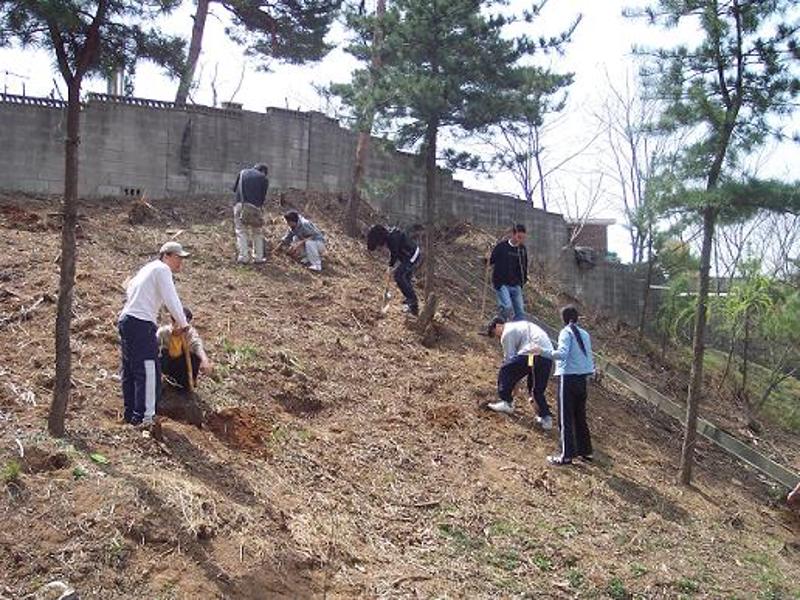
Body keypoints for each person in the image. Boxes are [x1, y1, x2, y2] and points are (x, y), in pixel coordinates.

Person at [118, 241, 190, 427]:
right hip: (141, 323)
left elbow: (130, 288)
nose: (179, 262)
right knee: (148, 370)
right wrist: (182, 323)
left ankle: (131, 414)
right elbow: (171, 298)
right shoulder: (161, 270)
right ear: (166, 256)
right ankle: (145, 418)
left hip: (127, 320)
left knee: (131, 370)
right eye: (177, 257)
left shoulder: (146, 270)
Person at [532, 305, 595, 466]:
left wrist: (542, 351)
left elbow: (561, 354)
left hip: (568, 378)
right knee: (580, 416)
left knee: (565, 417)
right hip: (582, 379)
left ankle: (566, 455)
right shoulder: (585, 334)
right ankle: (585, 450)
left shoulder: (566, 332)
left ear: (564, 319)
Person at [485, 316, 554, 429]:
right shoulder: (519, 326)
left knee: (505, 369)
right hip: (545, 356)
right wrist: (515, 382)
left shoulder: (507, 332)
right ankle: (546, 418)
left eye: (495, 333)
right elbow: (519, 369)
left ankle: (506, 402)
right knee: (536, 389)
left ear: (498, 326)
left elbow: (510, 362)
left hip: (532, 353)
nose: (498, 337)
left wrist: (511, 390)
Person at [366, 224, 421, 316]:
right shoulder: (389, 236)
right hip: (406, 256)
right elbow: (394, 252)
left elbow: (394, 253)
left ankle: (412, 301)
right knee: (405, 278)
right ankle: (412, 306)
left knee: (399, 275)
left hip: (413, 254)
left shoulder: (392, 237)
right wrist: (390, 266)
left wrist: (390, 266)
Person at [157, 307, 211, 390]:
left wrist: (204, 360)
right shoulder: (163, 332)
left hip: (180, 364)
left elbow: (196, 345)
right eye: (176, 322)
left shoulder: (189, 333)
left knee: (195, 357)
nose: (178, 327)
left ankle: (185, 383)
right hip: (167, 363)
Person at [489, 224, 529, 321]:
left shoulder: (522, 250)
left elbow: (524, 265)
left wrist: (522, 281)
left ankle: (518, 332)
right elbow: (491, 260)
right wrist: (487, 259)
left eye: (523, 238)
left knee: (520, 312)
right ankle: (499, 325)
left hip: (516, 284)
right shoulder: (501, 247)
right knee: (506, 307)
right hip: (502, 283)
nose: (520, 240)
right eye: (519, 237)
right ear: (513, 234)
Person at [232, 163, 269, 264]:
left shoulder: (242, 172)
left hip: (240, 205)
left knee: (241, 231)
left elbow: (234, 189)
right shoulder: (264, 179)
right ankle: (258, 258)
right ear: (264, 172)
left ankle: (243, 257)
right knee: (257, 232)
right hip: (255, 208)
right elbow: (262, 199)